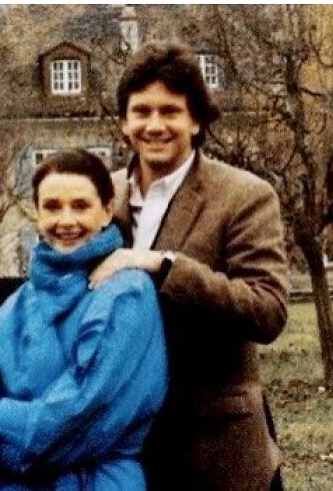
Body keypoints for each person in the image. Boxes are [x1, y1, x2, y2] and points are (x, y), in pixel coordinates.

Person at [90, 41, 289, 491]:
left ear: (196, 120)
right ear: (123, 122)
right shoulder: (100, 196)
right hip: (123, 458)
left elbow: (268, 311)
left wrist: (165, 267)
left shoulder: (244, 196)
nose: (154, 125)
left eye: (170, 111)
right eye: (141, 111)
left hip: (219, 458)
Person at [0, 149, 168, 491]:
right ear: (36, 213)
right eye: (52, 207)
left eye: (80, 206)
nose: (66, 221)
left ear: (107, 211)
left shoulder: (127, 293)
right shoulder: (12, 309)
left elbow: (84, 417)